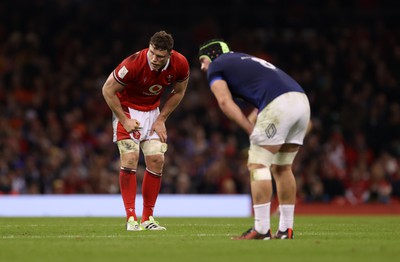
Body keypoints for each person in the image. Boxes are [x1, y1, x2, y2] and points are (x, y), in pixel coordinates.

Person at [198, 39, 311, 240]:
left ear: (213, 55)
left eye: (203, 60)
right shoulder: (246, 60)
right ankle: (286, 229)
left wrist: (249, 128)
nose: (202, 66)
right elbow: (269, 86)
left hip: (279, 105)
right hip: (301, 102)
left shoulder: (217, 65)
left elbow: (224, 102)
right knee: (282, 167)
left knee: (258, 164)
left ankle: (261, 229)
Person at [102, 31, 190, 231]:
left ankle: (147, 218)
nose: (154, 59)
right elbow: (107, 90)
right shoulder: (133, 63)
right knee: (130, 158)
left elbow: (180, 91)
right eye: (152, 53)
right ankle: (131, 218)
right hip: (127, 110)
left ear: (169, 54)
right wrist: (124, 120)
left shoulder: (180, 63)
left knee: (157, 160)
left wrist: (161, 119)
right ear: (148, 48)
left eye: (160, 56)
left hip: (153, 113)